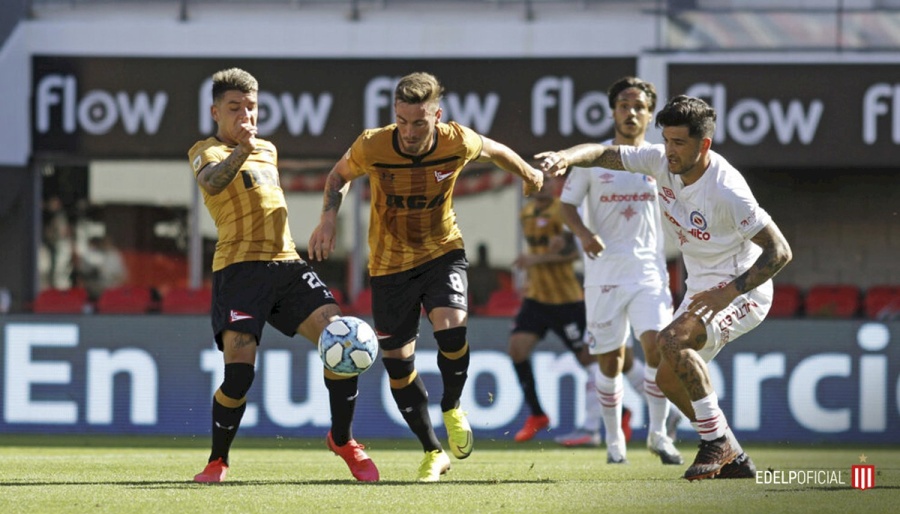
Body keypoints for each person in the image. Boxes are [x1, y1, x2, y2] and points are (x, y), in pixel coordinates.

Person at [538, 94, 793, 480]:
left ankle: (714, 442)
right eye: (666, 139)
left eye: (679, 143)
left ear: (703, 144)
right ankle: (733, 454)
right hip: (701, 287)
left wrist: (729, 292)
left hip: (743, 290)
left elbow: (780, 252)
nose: (669, 151)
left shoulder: (728, 190)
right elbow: (602, 155)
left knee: (669, 341)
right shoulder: (659, 161)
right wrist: (567, 156)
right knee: (665, 379)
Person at [309, 71, 544, 482]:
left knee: (451, 330)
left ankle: (452, 406)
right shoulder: (374, 144)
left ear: (438, 115)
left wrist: (528, 172)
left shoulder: (457, 140)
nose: (410, 131)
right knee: (399, 365)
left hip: (441, 251)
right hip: (388, 265)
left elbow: (495, 150)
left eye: (419, 122)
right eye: (402, 120)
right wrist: (328, 220)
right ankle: (433, 451)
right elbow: (338, 176)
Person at [188, 68, 378, 484]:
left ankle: (343, 440)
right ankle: (217, 461)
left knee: (341, 338)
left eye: (251, 107)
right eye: (235, 108)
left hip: (287, 265)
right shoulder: (206, 151)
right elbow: (214, 185)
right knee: (239, 374)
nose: (245, 116)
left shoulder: (267, 150)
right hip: (239, 271)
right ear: (215, 111)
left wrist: (322, 223)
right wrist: (241, 148)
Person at [554, 77, 682, 465]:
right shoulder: (594, 158)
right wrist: (584, 234)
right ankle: (614, 441)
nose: (632, 112)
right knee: (609, 361)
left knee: (658, 345)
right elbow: (566, 206)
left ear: (650, 115)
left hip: (648, 270)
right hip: (604, 273)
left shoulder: (661, 160)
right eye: (624, 105)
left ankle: (659, 435)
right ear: (613, 112)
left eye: (640, 106)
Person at [507, 177, 598, 444]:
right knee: (517, 350)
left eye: (548, 181)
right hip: (537, 298)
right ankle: (537, 415)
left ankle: (621, 412)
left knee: (587, 360)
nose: (543, 185)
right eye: (537, 181)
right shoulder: (526, 213)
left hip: (566, 300)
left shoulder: (563, 209)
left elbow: (573, 253)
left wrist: (538, 258)